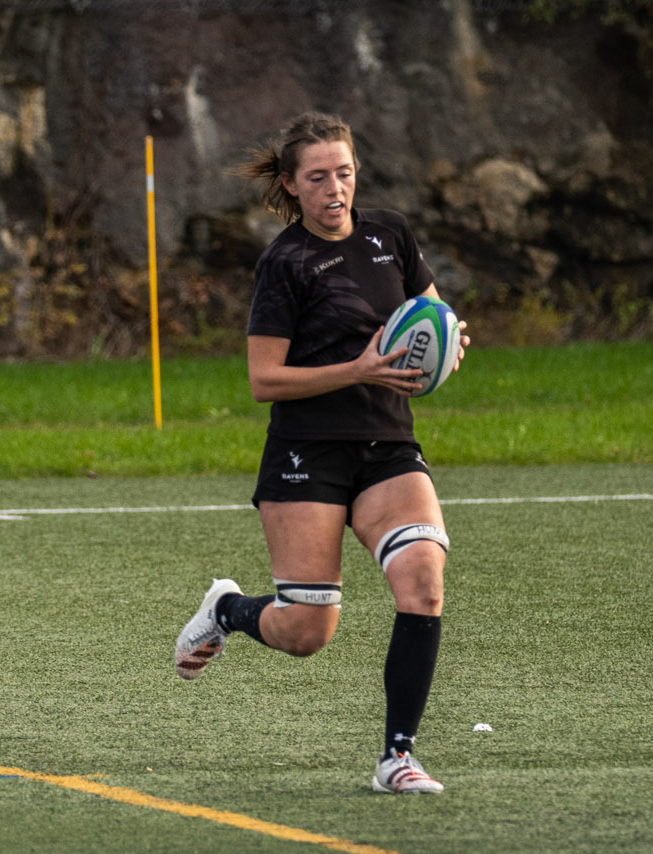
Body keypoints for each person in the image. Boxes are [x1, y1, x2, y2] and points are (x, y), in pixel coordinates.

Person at [173, 112, 468, 794]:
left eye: (345, 172)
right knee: (307, 630)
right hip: (307, 453)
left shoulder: (389, 234)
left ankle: (398, 755)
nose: (336, 188)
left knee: (423, 579)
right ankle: (228, 611)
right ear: (291, 186)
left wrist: (449, 342)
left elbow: (431, 312)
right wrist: (356, 370)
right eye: (318, 177)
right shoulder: (286, 263)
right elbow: (262, 381)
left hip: (388, 443)